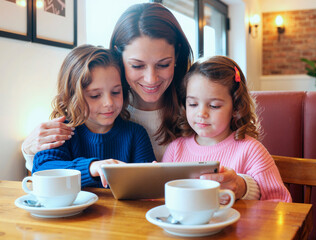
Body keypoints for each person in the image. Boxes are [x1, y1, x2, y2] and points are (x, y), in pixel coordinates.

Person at [22, 3, 260, 199]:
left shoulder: (196, 106)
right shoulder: (94, 106)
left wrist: (242, 186)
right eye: (137, 65)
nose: (151, 78)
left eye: (163, 64)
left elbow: (243, 154)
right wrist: (29, 150)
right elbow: (45, 171)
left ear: (177, 56)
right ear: (118, 57)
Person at [162, 56, 291, 202]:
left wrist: (246, 191)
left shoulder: (251, 151)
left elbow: (281, 203)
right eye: (193, 104)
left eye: (214, 106)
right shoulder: (175, 149)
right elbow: (162, 199)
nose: (201, 114)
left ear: (236, 107)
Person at [32, 45, 155, 188]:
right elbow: (42, 170)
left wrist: (152, 177)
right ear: (73, 97)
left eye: (116, 92)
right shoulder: (62, 131)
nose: (109, 103)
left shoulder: (135, 134)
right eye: (95, 96)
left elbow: (146, 188)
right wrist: (92, 167)